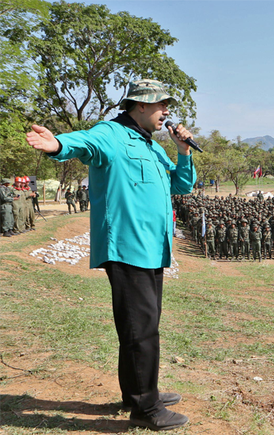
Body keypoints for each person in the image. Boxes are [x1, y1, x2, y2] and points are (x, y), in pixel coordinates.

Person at [26, 79, 195, 431]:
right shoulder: (113, 133)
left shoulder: (151, 145)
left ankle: (140, 392)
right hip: (128, 247)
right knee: (141, 331)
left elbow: (180, 185)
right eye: (161, 104)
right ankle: (145, 409)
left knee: (141, 327)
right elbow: (84, 142)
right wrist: (57, 143)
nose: (166, 111)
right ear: (141, 106)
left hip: (153, 247)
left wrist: (183, 152)